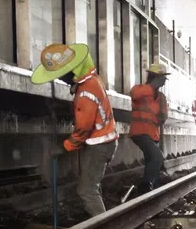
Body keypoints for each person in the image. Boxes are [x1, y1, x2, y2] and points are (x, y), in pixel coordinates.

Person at [30, 43, 117, 217]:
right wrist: (63, 108)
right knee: (91, 187)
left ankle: (106, 228)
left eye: (63, 74)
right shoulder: (92, 80)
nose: (62, 79)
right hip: (103, 142)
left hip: (99, 145)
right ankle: (100, 222)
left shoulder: (85, 91)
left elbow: (83, 129)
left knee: (87, 191)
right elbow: (88, 112)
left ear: (73, 70)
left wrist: (63, 147)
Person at [129, 63, 170, 196]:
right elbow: (134, 94)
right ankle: (145, 187)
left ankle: (151, 192)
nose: (165, 81)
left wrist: (162, 116)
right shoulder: (141, 90)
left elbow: (163, 117)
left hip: (153, 135)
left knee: (151, 162)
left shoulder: (161, 97)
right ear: (156, 77)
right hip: (140, 132)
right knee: (157, 157)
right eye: (163, 78)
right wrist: (152, 87)